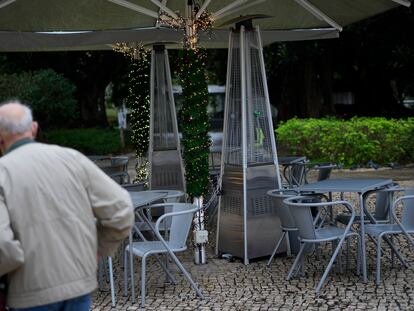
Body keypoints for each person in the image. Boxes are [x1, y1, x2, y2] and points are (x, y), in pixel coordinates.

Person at [0, 100, 134, 310]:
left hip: (30, 291)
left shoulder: (3, 172)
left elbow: (4, 247)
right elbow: (122, 209)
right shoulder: (72, 158)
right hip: (78, 284)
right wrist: (98, 247)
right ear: (33, 128)